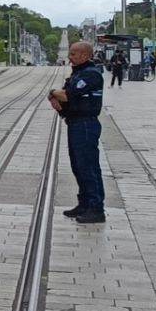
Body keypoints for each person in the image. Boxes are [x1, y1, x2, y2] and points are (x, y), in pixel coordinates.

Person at [49, 41, 105, 224]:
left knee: (88, 166)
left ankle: (96, 208)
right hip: (75, 123)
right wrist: (54, 96)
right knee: (78, 166)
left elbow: (67, 94)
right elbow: (64, 95)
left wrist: (53, 93)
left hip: (86, 124)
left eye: (73, 54)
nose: (69, 57)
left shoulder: (91, 75)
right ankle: (84, 203)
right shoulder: (78, 73)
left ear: (85, 56)